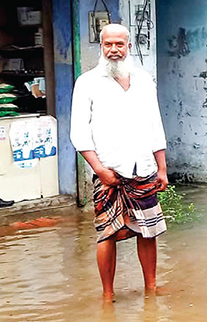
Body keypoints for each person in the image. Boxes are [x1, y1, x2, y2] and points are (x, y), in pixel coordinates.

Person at [70, 24, 169, 302]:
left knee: (148, 232)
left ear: (128, 46)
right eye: (108, 45)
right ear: (101, 47)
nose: (114, 50)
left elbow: (154, 125)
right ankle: (107, 294)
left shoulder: (143, 79)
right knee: (107, 233)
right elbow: (79, 133)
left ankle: (151, 287)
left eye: (119, 45)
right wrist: (99, 170)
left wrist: (161, 167)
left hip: (144, 168)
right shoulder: (87, 82)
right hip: (109, 171)